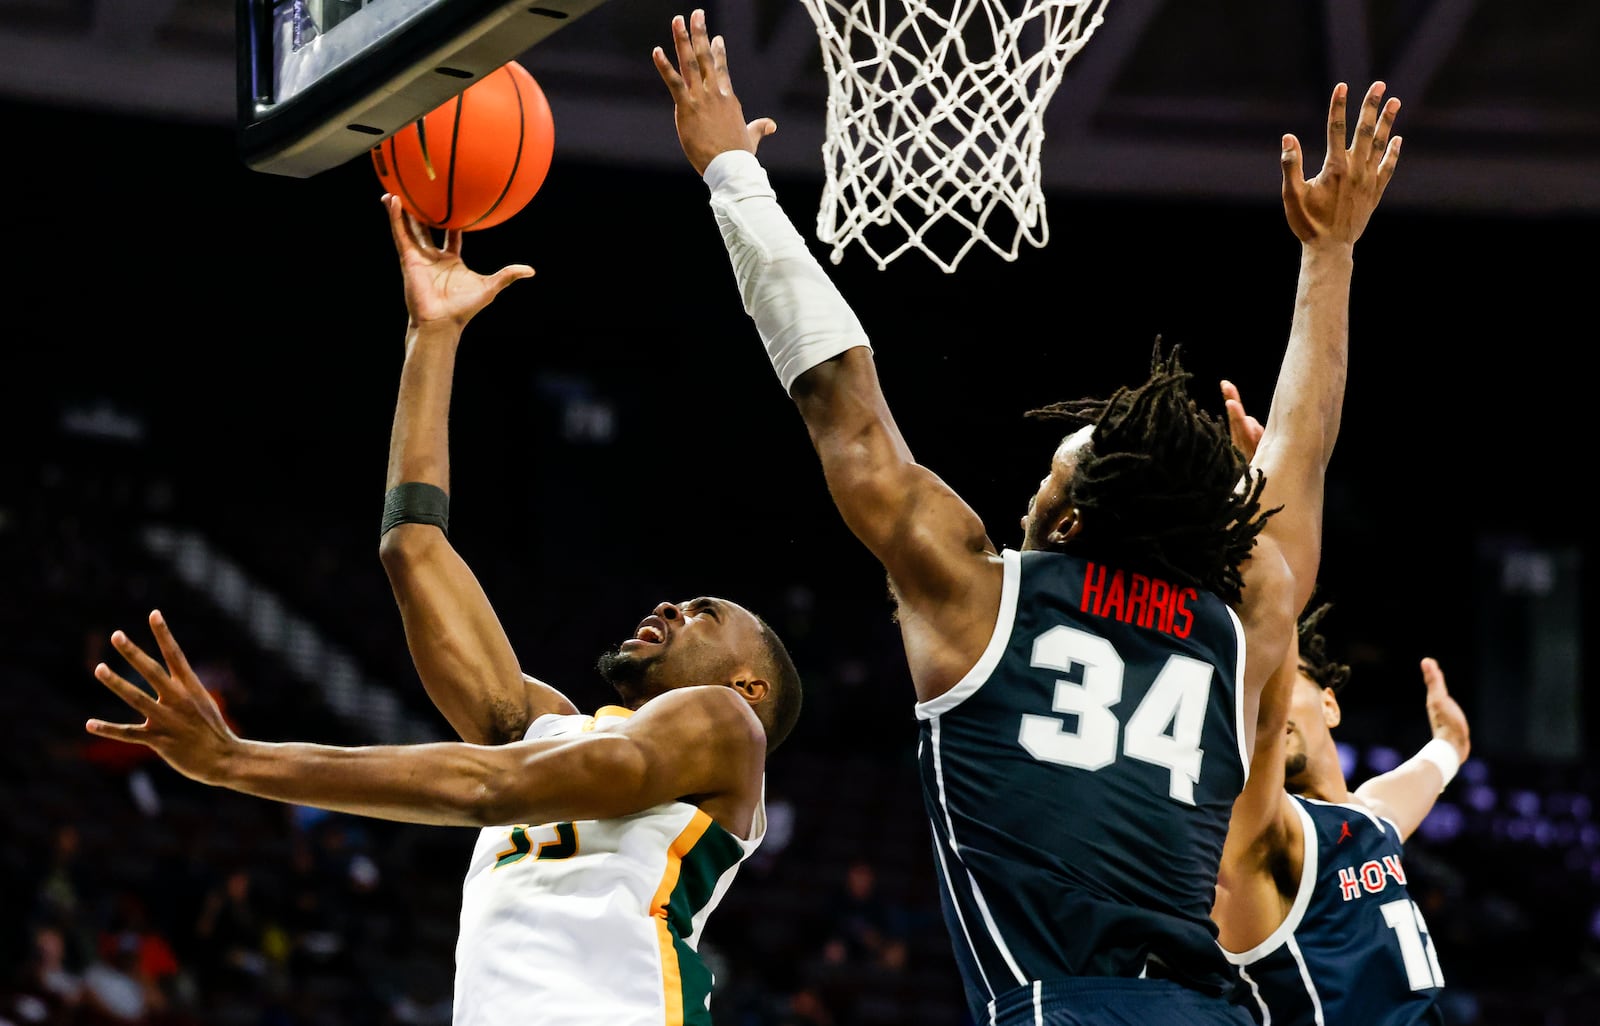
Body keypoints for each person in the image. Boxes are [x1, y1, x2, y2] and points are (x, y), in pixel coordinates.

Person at [652, 9, 1401, 1024]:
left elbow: (844, 401)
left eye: (1052, 472)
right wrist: (1331, 254)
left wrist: (732, 175)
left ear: (1074, 523)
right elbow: (1296, 463)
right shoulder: (1239, 632)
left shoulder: (978, 599)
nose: (1033, 486)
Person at [84, 192, 805, 1026]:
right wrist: (433, 337)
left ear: (749, 686)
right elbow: (413, 548)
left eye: (705, 612)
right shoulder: (551, 724)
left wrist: (237, 762)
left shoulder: (725, 726)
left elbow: (489, 789)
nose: (673, 605)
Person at [1212, 381, 1469, 1026]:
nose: (1269, 684)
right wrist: (1261, 514)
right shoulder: (1262, 832)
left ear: (1330, 704)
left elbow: (1433, 768)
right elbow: (1267, 628)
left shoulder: (1372, 821)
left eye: (1287, 675)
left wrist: (1447, 742)